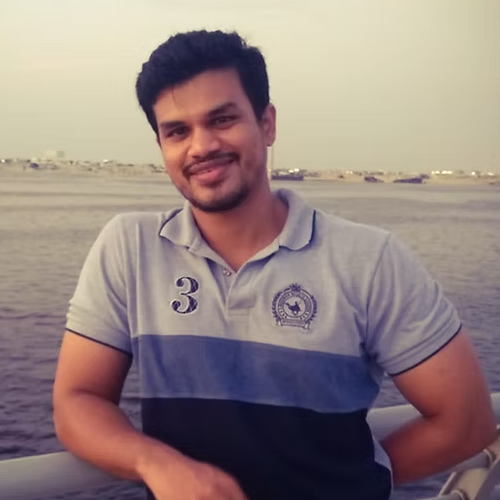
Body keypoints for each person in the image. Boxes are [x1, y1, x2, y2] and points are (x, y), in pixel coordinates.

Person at [53, 30, 496, 500]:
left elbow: (466, 421)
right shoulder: (130, 248)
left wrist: (348, 483)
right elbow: (77, 400)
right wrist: (158, 464)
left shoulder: (368, 260)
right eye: (177, 131)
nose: (201, 146)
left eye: (222, 119)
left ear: (267, 124)